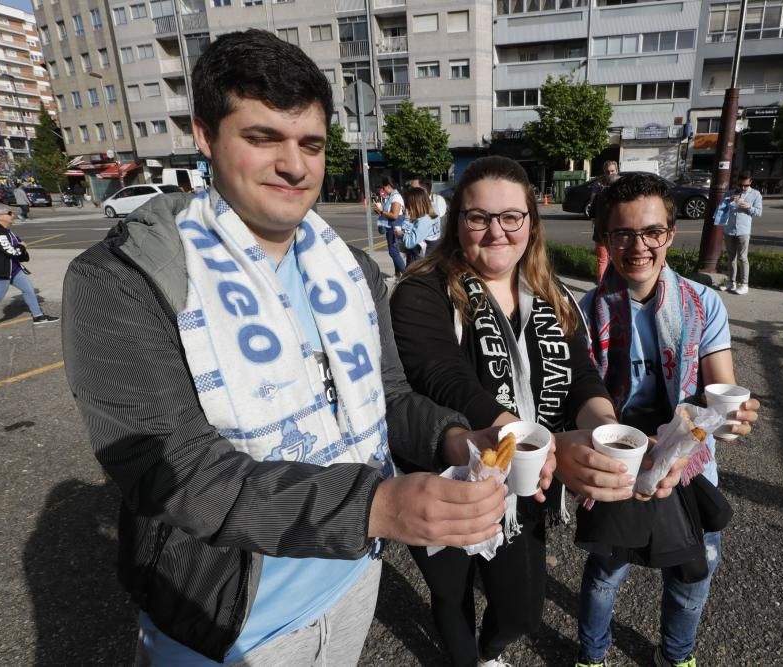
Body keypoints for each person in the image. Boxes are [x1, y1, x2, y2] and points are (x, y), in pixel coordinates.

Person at [61, 29, 508, 666]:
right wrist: (374, 507)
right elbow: (175, 473)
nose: (294, 165)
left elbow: (388, 394)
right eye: (263, 137)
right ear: (205, 135)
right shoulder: (122, 279)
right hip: (227, 628)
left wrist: (454, 440)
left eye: (312, 144)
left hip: (352, 581)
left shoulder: (349, 268)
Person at [390, 156, 688, 667]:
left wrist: (605, 434)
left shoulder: (551, 293)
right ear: (457, 220)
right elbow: (445, 377)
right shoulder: (423, 290)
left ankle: (490, 649)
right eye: (478, 217)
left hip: (525, 483)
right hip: (444, 474)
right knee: (450, 592)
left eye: (511, 217)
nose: (496, 232)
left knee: (521, 612)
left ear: (531, 221)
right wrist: (538, 440)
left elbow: (583, 381)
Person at [576, 172, 761, 667]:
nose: (639, 247)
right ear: (606, 240)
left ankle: (676, 656)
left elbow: (718, 387)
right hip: (620, 456)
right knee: (605, 572)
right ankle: (592, 657)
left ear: (670, 235)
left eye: (652, 232)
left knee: (695, 572)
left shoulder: (703, 304)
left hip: (690, 460)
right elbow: (585, 395)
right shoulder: (588, 310)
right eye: (623, 234)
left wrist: (733, 418)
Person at [0, 203, 58, 323]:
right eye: (9, 213)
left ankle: (38, 316)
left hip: (14, 269)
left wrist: (20, 246)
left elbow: (16, 243)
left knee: (29, 289)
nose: (13, 215)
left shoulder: (6, 230)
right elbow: (11, 251)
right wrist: (21, 247)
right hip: (1, 271)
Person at [717, 172, 762, 295]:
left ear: (750, 182)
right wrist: (728, 201)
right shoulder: (731, 193)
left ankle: (744, 284)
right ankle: (732, 282)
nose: (742, 188)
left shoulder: (755, 194)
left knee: (743, 257)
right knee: (731, 257)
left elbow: (758, 212)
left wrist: (748, 207)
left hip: (743, 230)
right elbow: (721, 208)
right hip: (729, 230)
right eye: (741, 185)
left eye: (745, 185)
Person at [592, 160, 620, 280]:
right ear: (604, 172)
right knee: (603, 260)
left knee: (613, 260)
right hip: (603, 230)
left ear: (617, 171)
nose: (610, 174)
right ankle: (604, 285)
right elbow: (593, 209)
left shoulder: (619, 187)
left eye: (612, 171)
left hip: (615, 231)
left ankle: (607, 286)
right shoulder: (600, 188)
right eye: (608, 172)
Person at [374, 175, 406, 276]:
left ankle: (406, 274)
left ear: (388, 186)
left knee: (393, 252)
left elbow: (394, 215)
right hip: (390, 227)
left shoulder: (396, 197)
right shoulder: (391, 196)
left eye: (383, 188)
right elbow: (388, 213)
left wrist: (381, 210)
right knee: (393, 250)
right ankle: (397, 274)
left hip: (395, 227)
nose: (383, 190)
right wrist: (379, 211)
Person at [395, 186, 437, 263]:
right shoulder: (431, 214)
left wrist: (407, 219)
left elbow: (409, 243)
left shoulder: (423, 221)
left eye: (407, 204)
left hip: (420, 261)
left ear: (414, 204)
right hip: (430, 257)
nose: (405, 207)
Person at [409, 176, 446, 254]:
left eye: (414, 189)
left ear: (424, 191)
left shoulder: (425, 210)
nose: (410, 192)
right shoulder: (431, 205)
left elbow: (411, 240)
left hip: (423, 253)